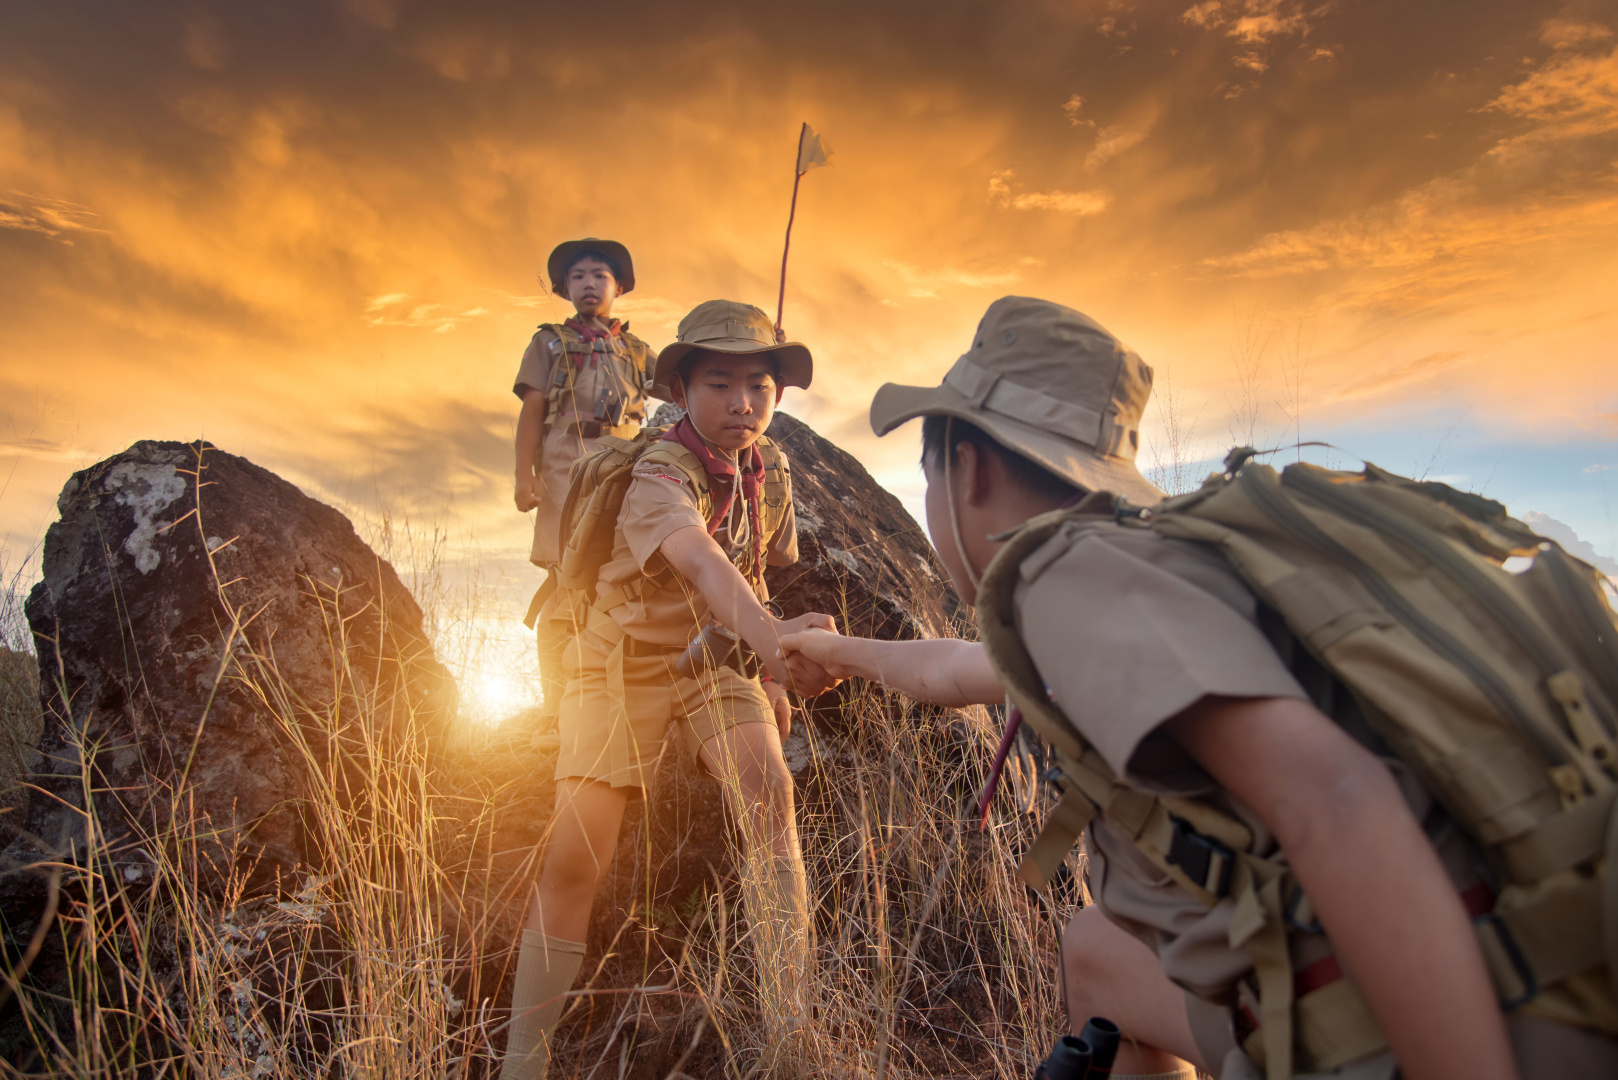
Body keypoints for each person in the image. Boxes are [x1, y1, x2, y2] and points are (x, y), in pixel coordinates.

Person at [780, 296, 1617, 1079]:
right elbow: (954, 670)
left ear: (966, 469)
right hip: (1532, 953)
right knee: (1095, 950)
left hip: (1436, 1026)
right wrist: (835, 650)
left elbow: (1336, 798)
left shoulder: (1069, 577)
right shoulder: (1146, 576)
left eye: (926, 479)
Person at [499, 300, 840, 1080]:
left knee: (769, 793)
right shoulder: (655, 471)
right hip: (619, 658)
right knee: (577, 851)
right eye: (719, 383)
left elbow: (753, 566)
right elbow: (703, 563)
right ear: (680, 390)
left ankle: (794, 1033)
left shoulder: (771, 467)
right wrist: (781, 650)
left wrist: (761, 664)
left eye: (760, 384)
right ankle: (525, 1061)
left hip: (716, 655)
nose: (743, 403)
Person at [513, 239, 657, 712]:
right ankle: (556, 707)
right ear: (564, 287)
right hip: (564, 469)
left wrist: (758, 358)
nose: (589, 283)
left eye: (600, 275)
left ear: (619, 286)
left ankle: (602, 698)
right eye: (578, 276)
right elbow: (532, 410)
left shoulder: (636, 350)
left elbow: (689, 384)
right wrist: (523, 477)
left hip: (623, 467)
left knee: (613, 575)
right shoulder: (549, 341)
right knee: (564, 578)